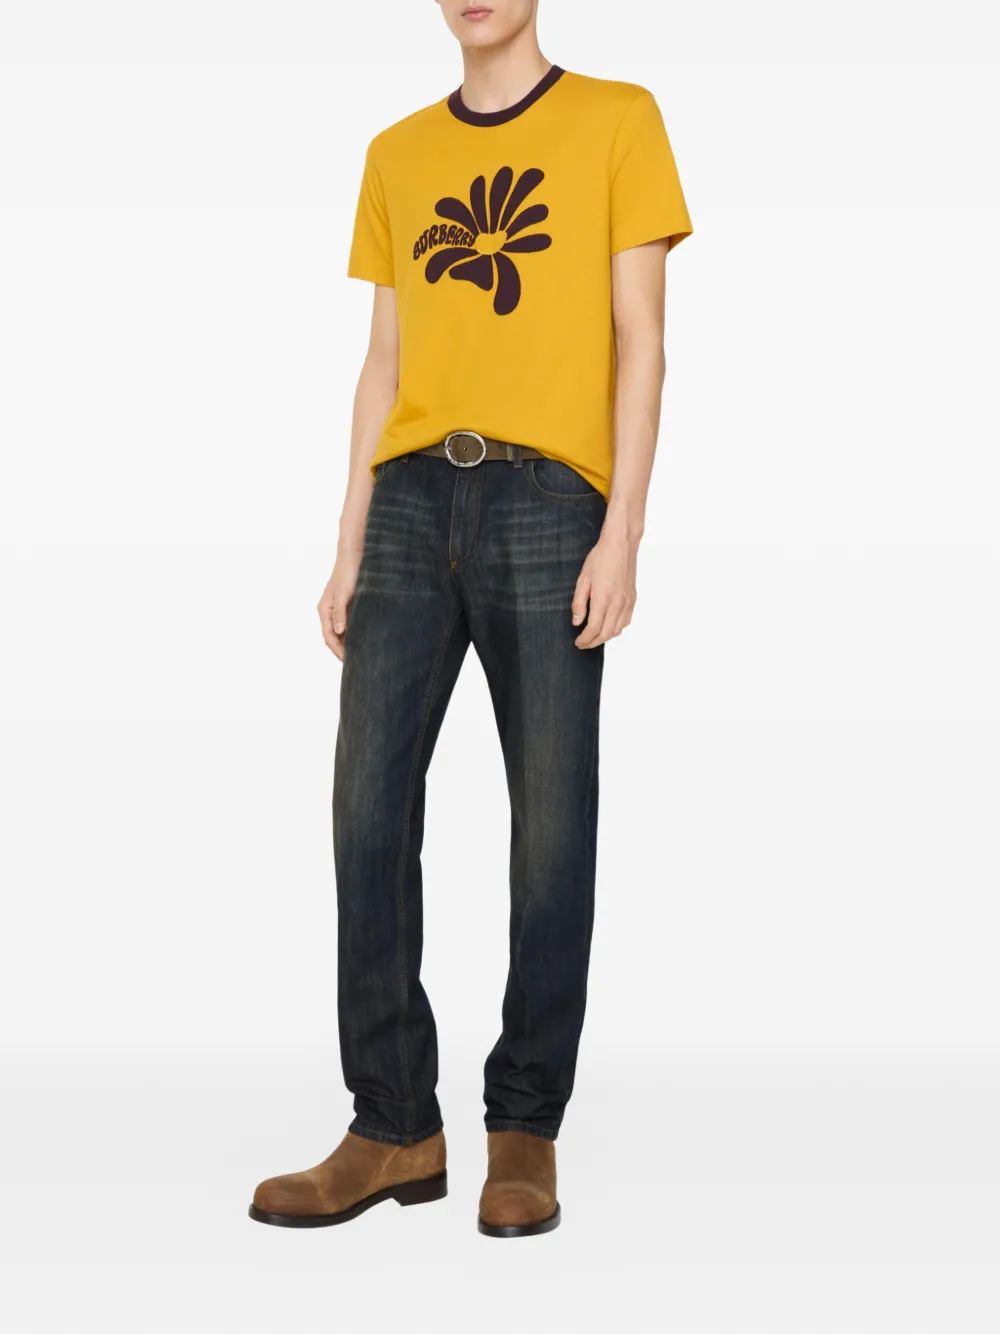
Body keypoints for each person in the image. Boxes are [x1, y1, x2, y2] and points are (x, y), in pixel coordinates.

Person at [250, 0, 691, 1238]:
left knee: (550, 825)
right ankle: (393, 1122)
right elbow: (383, 358)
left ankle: (523, 1127)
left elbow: (642, 340)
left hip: (550, 501)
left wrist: (623, 529)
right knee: (365, 811)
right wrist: (348, 539)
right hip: (405, 501)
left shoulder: (618, 120)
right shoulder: (396, 152)